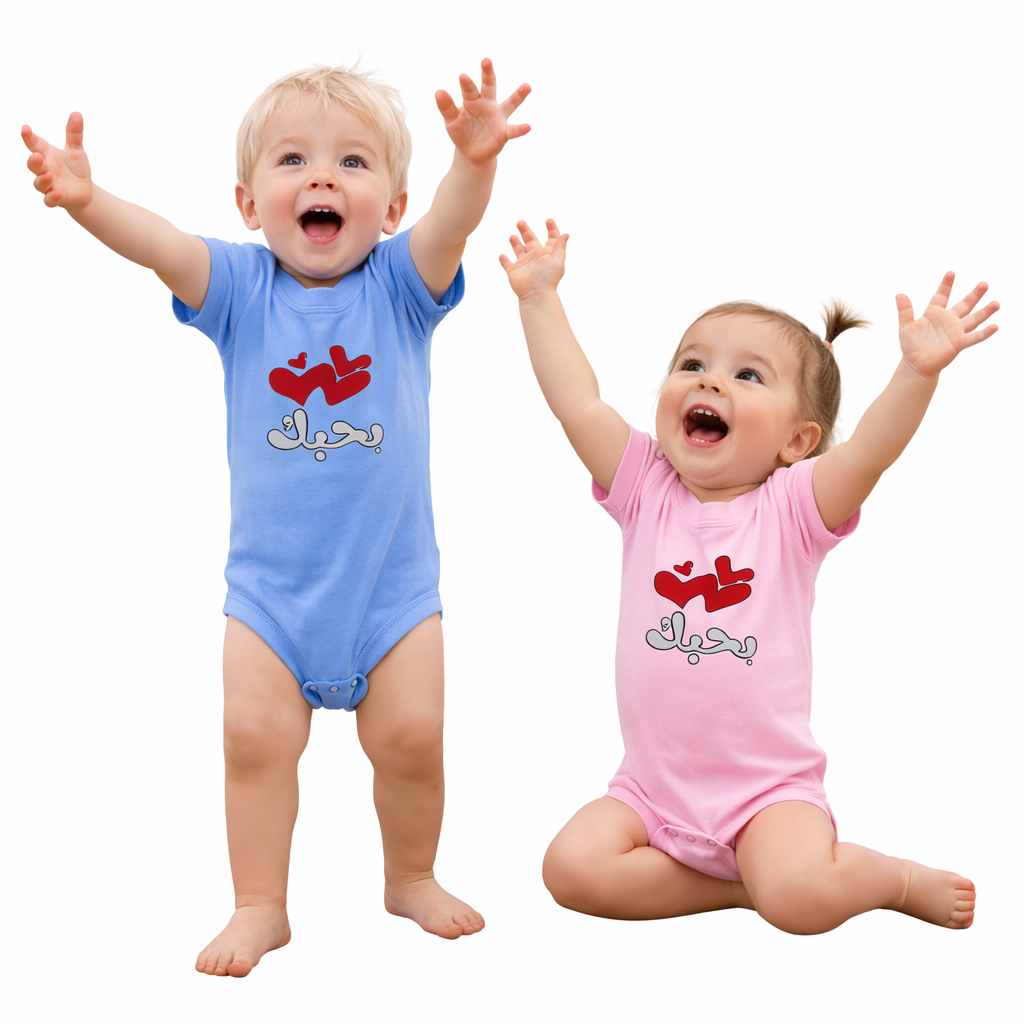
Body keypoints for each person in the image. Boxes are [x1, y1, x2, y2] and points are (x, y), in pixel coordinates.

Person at [21, 59, 530, 976]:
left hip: (392, 598)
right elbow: (161, 243)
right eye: (293, 160)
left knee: (414, 741)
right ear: (251, 204)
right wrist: (90, 202)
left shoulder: (402, 288)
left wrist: (477, 164)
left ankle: (410, 876)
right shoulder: (240, 290)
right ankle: (260, 903)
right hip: (269, 601)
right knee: (252, 742)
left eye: (353, 163)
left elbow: (454, 221)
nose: (323, 178)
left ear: (394, 202)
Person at [499, 218, 996, 933]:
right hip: (650, 791)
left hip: (768, 795)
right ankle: (740, 890)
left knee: (799, 904)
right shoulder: (645, 487)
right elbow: (577, 402)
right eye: (692, 364)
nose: (709, 380)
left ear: (799, 442)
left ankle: (889, 878)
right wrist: (539, 299)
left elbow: (868, 457)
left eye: (747, 375)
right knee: (568, 871)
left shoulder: (794, 508)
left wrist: (916, 375)